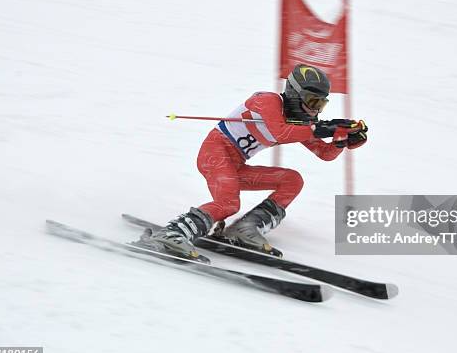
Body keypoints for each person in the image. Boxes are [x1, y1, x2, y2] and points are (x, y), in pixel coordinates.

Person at [146, 64, 368, 258]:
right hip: (214, 155)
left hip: (236, 166)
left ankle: (245, 228)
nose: (315, 110)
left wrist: (342, 141)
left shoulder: (301, 122)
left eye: (321, 104)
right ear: (294, 93)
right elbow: (279, 132)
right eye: (312, 101)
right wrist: (321, 128)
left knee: (292, 180)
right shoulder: (266, 100)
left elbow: (324, 154)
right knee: (229, 204)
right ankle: (173, 233)